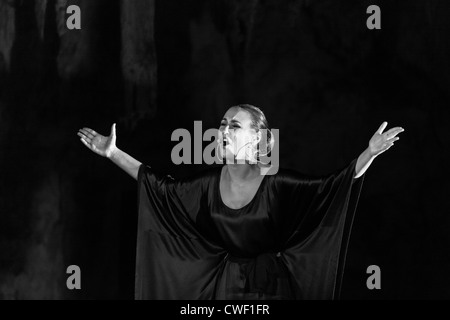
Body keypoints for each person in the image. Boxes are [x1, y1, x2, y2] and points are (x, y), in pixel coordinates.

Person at [77, 104, 404, 300]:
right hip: (223, 291)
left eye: (234, 126)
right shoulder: (206, 187)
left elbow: (334, 186)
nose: (223, 130)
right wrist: (112, 153)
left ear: (258, 139)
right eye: (221, 125)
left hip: (270, 291)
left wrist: (369, 153)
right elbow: (159, 188)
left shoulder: (278, 185)